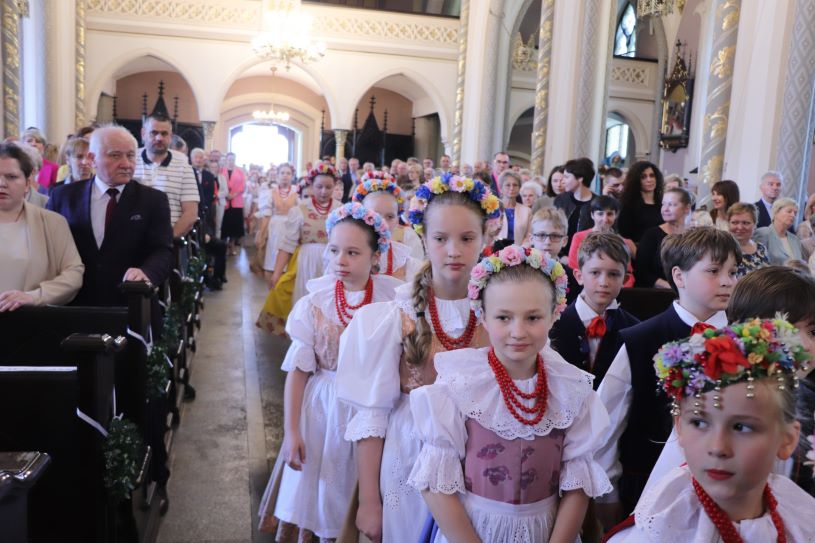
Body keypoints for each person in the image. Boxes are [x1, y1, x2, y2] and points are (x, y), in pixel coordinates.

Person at [336, 175, 500, 543]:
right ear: (423, 238)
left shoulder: (500, 311)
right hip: (409, 455)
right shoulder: (396, 315)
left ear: (486, 239)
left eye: (467, 238)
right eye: (441, 239)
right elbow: (371, 417)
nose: (454, 251)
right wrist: (368, 501)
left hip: (481, 456)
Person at [409, 245, 613, 542]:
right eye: (504, 317)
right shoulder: (460, 385)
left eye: (532, 318)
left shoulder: (570, 390)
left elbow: (577, 483)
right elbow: (436, 484)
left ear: (555, 314)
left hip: (545, 531)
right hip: (473, 530)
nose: (518, 331)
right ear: (483, 316)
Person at [258, 203, 401, 540]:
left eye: (353, 252)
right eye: (335, 250)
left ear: (375, 256)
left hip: (372, 409)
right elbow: (297, 371)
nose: (341, 260)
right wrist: (291, 431)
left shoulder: (391, 301)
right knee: (320, 492)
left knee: (357, 492)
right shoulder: (315, 302)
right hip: (323, 410)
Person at [605, 317, 814, 542]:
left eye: (742, 427)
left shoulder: (801, 521)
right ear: (679, 428)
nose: (717, 447)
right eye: (700, 423)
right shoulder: (658, 532)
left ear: (787, 440)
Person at [595, 227, 741, 526]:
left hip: (727, 488)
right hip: (648, 485)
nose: (728, 281)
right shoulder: (641, 340)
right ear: (679, 276)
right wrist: (607, 496)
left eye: (733, 271)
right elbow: (606, 426)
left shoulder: (745, 339)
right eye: (714, 270)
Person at [638, 266, 815, 503]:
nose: (803, 344)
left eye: (813, 332)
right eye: (786, 329)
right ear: (745, 330)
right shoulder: (716, 396)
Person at [47, 125, 173, 307]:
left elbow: (163, 250)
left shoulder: (153, 200)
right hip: (73, 303)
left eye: (130, 155)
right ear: (92, 159)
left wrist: (147, 272)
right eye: (115, 155)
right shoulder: (63, 197)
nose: (126, 164)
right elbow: (49, 248)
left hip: (131, 303)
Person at [257, 165, 341, 335]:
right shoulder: (300, 210)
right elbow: (287, 245)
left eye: (328, 187)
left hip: (333, 264)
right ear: (311, 186)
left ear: (335, 187)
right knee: (304, 302)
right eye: (319, 187)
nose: (324, 191)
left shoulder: (341, 210)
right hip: (305, 262)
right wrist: (277, 273)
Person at [0, 142, 84, 312]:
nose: (2, 183)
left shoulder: (53, 222)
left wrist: (35, 296)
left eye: (11, 177)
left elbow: (73, 273)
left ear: (27, 183)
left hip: (31, 322)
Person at [550, 233, 640, 388]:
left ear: (625, 280)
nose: (604, 282)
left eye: (613, 274)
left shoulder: (634, 331)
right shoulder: (553, 325)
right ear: (579, 276)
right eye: (595, 273)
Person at [134, 114, 199, 238]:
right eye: (153, 133)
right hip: (132, 239)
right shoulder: (130, 159)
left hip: (169, 242)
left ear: (170, 136)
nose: (159, 138)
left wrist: (166, 239)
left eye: (164, 134)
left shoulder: (183, 165)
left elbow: (191, 213)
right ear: (143, 134)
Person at [351, 171, 424, 280]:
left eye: (390, 217)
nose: (383, 223)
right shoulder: (347, 249)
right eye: (374, 215)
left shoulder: (404, 259)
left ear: (397, 219)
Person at [567, 195, 637, 288]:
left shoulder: (622, 241)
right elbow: (573, 267)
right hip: (584, 287)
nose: (605, 219)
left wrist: (621, 289)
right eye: (600, 214)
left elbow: (628, 273)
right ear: (592, 215)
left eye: (610, 214)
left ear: (615, 215)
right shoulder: (579, 237)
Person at [634, 187, 692, 288]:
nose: (665, 209)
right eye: (663, 204)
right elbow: (642, 272)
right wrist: (671, 287)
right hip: (656, 293)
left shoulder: (693, 236)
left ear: (687, 208)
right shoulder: (651, 235)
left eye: (672, 204)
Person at [528, 206, 581, 305]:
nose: (547, 242)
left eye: (555, 236)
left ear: (564, 241)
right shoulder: (519, 271)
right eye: (541, 235)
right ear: (531, 239)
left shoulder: (572, 278)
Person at [259, 163, 299, 284]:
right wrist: (262, 234)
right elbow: (266, 214)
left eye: (288, 173)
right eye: (282, 173)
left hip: (291, 226)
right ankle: (272, 284)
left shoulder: (296, 192)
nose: (285, 176)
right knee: (273, 254)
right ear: (277, 175)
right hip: (275, 227)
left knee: (289, 254)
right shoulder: (271, 192)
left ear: (292, 176)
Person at [553, 157, 599, 254]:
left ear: (580, 178)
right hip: (559, 256)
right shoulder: (561, 200)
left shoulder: (597, 204)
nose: (563, 181)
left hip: (586, 256)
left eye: (566, 177)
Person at [617, 161, 664, 243]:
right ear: (636, 180)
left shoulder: (663, 203)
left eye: (652, 175)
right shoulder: (628, 205)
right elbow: (624, 235)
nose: (649, 180)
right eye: (643, 177)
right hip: (637, 250)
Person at [753, 197, 804, 264]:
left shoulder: (795, 239)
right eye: (789, 211)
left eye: (795, 213)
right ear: (776, 212)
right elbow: (758, 262)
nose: (793, 215)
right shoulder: (763, 233)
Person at [727, 202, 770, 278]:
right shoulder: (722, 249)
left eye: (745, 223)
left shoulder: (762, 249)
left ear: (755, 224)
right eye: (735, 222)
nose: (740, 227)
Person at [219, 152, 246, 254]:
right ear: (226, 160)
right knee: (225, 224)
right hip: (224, 201)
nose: (231, 161)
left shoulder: (239, 171)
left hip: (236, 201)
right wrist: (226, 195)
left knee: (235, 225)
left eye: (233, 160)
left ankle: (232, 245)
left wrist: (233, 195)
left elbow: (242, 186)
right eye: (229, 159)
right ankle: (223, 245)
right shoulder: (222, 171)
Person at [497, 170, 531, 244]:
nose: (512, 188)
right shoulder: (492, 208)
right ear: (501, 188)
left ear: (519, 188)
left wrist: (520, 251)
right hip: (494, 253)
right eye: (508, 185)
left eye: (515, 185)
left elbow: (528, 236)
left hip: (520, 252)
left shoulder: (527, 211)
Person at [22, 127, 57, 193]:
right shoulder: (17, 166)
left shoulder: (53, 168)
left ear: (43, 147)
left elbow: (54, 193)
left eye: (38, 141)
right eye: (29, 141)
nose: (34, 144)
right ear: (23, 144)